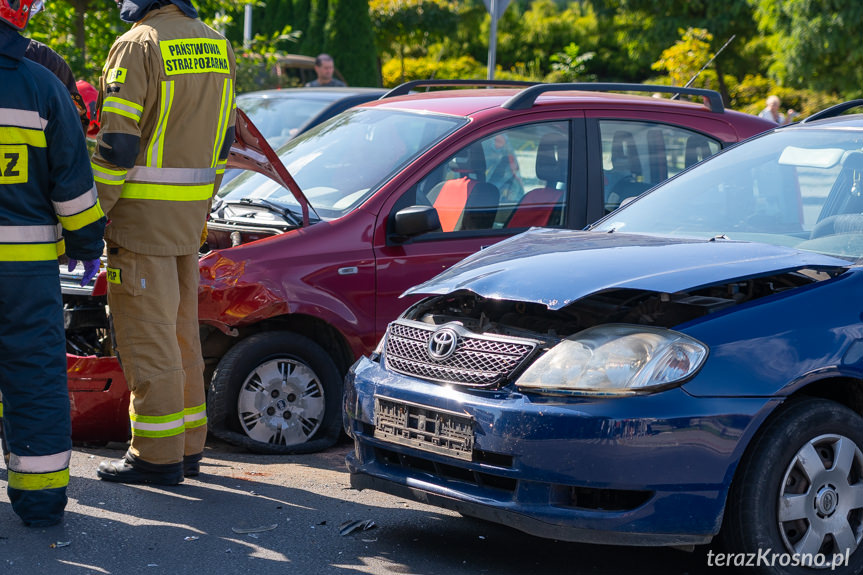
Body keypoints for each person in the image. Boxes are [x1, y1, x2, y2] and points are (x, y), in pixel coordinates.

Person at [90, 0, 236, 485]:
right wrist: (202, 204)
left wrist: (93, 214)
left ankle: (155, 455)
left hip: (141, 220)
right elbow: (225, 139)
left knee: (147, 338)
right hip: (186, 217)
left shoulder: (138, 43)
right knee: (179, 336)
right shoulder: (215, 42)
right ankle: (188, 446)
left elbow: (118, 144)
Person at [0, 0, 106, 526]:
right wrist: (88, 247)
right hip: (25, 275)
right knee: (34, 379)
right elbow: (75, 192)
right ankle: (39, 502)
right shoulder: (43, 88)